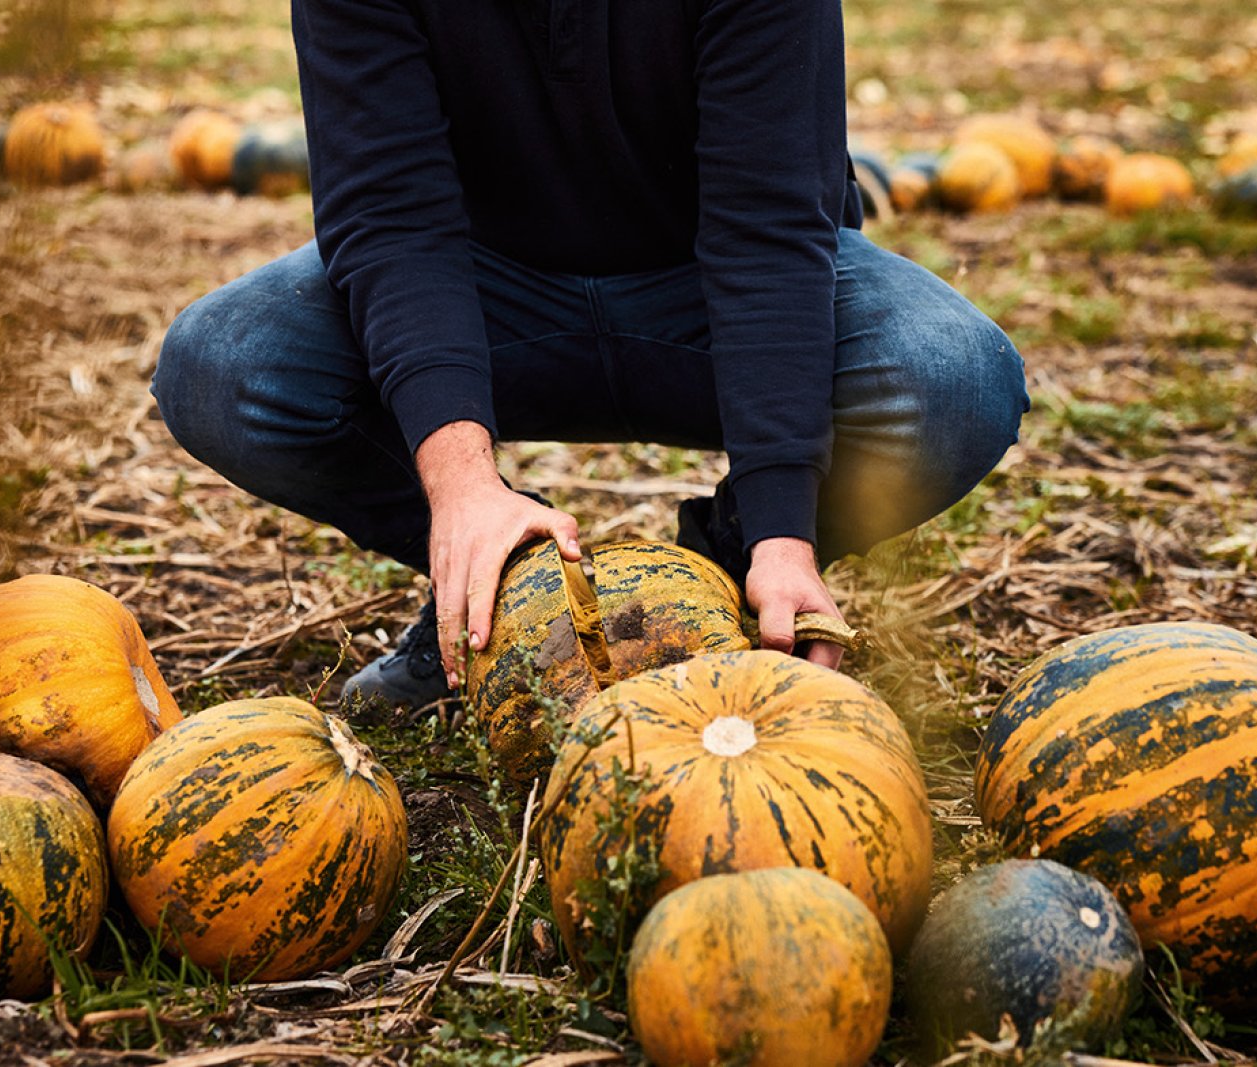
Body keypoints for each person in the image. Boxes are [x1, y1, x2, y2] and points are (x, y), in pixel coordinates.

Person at [152, 0, 1029, 712]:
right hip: (480, 288)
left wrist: (781, 531)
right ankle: (507, 594)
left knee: (952, 379)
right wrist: (461, 487)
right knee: (227, 365)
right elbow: (391, 216)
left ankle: (715, 587)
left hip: (706, 286)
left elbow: (764, 228)